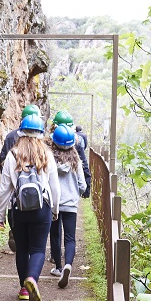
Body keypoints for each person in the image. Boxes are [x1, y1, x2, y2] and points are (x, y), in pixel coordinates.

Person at [0, 113, 60, 301]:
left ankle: (24, 289)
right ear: (41, 134)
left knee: (22, 249)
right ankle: (33, 279)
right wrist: (55, 210)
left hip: (18, 210)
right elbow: (55, 186)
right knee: (38, 249)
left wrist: (0, 216)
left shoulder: (13, 155)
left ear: (21, 132)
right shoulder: (47, 155)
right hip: (42, 209)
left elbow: (4, 188)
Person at [0, 103, 42, 256]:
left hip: (15, 194)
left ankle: (17, 237)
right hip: (37, 195)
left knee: (17, 222)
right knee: (36, 240)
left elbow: (2, 159)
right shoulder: (42, 146)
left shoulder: (11, 136)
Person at [48, 124, 86, 289]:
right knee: (70, 238)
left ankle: (58, 267)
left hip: (54, 204)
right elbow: (83, 185)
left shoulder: (49, 158)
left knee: (55, 235)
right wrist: (76, 191)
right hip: (71, 204)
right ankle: (68, 265)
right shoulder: (75, 159)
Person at [51, 109, 91, 198]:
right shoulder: (76, 143)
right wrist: (85, 191)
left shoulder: (49, 144)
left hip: (53, 199)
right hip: (71, 199)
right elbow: (84, 167)